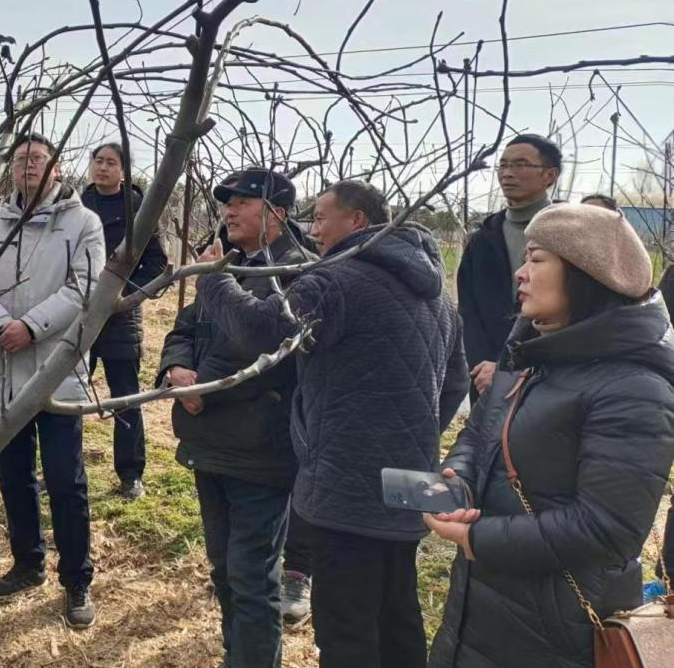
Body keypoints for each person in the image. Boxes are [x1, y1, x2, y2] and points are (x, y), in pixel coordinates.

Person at [196, 179, 468, 668]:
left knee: (346, 625)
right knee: (398, 613)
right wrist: (418, 435)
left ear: (357, 221)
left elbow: (266, 331)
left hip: (347, 478)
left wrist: (214, 280)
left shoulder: (337, 280)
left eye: (321, 218)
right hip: (414, 479)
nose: (313, 230)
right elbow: (454, 383)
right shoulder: (439, 294)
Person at [426, 203, 674, 668]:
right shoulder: (530, 352)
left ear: (586, 273)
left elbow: (607, 527)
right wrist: (456, 481)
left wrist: (479, 538)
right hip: (478, 608)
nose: (520, 273)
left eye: (536, 259)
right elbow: (479, 436)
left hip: (558, 627)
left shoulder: (634, 389)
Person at [158, 168, 311, 668]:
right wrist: (177, 368)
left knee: (251, 579)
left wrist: (203, 385)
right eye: (227, 201)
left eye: (243, 201)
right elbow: (186, 327)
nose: (229, 209)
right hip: (209, 442)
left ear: (277, 213)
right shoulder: (225, 263)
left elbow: (262, 342)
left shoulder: (295, 272)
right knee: (225, 570)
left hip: (260, 449)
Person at [0, 133, 106, 629]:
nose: (29, 166)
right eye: (21, 159)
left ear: (57, 168)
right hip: (3, 365)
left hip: (55, 368)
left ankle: (77, 578)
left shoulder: (83, 222)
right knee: (13, 475)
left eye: (39, 159)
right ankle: (27, 562)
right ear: (9, 170)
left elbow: (85, 286)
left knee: (66, 479)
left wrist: (31, 326)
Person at [81, 141, 168, 500]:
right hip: (77, 314)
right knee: (67, 394)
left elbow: (156, 264)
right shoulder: (74, 206)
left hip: (120, 317)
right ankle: (62, 466)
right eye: (98, 161)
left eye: (111, 163)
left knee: (125, 398)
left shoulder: (140, 211)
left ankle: (131, 474)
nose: (102, 168)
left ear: (124, 171)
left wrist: (123, 294)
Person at [457, 134, 560, 398]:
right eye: (503, 165)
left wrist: (510, 367)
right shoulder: (483, 239)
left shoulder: (567, 233)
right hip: (485, 377)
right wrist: (484, 365)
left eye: (520, 165)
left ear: (549, 176)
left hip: (550, 375)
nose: (507, 174)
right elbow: (469, 311)